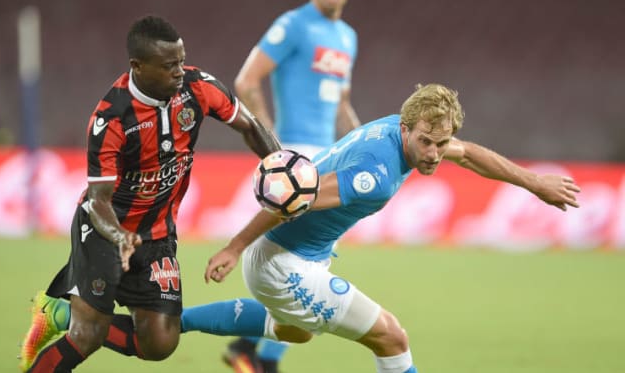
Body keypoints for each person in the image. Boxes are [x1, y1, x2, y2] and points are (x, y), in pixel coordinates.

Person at [178, 83, 581, 373]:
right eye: (427, 143)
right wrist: (234, 247)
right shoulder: (376, 173)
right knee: (392, 337)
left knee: (294, 332)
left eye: (442, 144)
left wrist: (535, 182)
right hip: (285, 265)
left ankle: (174, 319)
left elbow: (470, 154)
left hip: (299, 257)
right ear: (406, 129)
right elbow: (291, 198)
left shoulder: (401, 126)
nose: (435, 154)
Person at [17, 15, 281, 372]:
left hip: (158, 234)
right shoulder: (111, 118)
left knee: (159, 342)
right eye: (169, 65)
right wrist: (120, 236)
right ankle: (75, 323)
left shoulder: (198, 86)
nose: (179, 71)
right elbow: (99, 202)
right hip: (104, 231)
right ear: (137, 66)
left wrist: (281, 166)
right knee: (88, 335)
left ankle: (60, 313)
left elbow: (249, 126)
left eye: (181, 61)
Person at [228, 0, 359, 369]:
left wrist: (363, 145)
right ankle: (261, 358)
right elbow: (246, 81)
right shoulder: (294, 24)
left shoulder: (348, 37)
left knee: (298, 264)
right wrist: (275, 150)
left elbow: (340, 104)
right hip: (297, 160)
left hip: (329, 157)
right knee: (303, 266)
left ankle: (247, 349)